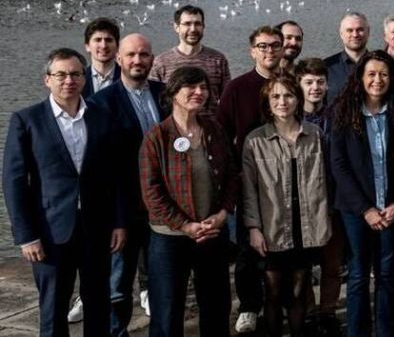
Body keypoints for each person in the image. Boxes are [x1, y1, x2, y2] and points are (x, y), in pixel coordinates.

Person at [4, 48, 127, 337]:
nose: (68, 80)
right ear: (47, 79)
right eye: (60, 74)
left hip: (96, 229)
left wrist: (120, 222)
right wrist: (26, 236)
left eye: (75, 74)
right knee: (53, 310)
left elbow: (118, 174)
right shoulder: (27, 120)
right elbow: (14, 181)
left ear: (84, 79)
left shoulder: (102, 115)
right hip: (50, 232)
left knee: (98, 303)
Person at [139, 66, 239, 337]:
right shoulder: (156, 137)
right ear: (173, 92)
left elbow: (232, 176)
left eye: (204, 88)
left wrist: (222, 214)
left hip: (213, 231)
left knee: (216, 306)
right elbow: (152, 192)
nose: (199, 92)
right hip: (170, 237)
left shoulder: (214, 130)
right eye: (192, 87)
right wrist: (184, 225)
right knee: (167, 310)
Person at [241, 75, 332, 337]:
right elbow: (249, 190)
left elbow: (327, 179)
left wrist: (326, 219)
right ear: (267, 103)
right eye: (276, 97)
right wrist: (253, 227)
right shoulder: (255, 141)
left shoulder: (315, 135)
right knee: (273, 291)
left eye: (289, 96)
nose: (283, 102)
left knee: (299, 288)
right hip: (272, 227)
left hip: (307, 226)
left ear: (298, 100)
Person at [88, 35, 165, 337]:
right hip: (124, 211)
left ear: (152, 59)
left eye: (144, 55)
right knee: (117, 287)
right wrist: (116, 219)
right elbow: (101, 169)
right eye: (131, 55)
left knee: (162, 282)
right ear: (118, 59)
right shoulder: (100, 103)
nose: (137, 61)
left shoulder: (164, 94)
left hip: (161, 209)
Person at [328, 52, 394, 337]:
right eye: (371, 74)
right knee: (359, 275)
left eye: (384, 74)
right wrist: (366, 209)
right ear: (360, 78)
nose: (378, 80)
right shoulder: (342, 112)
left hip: (391, 208)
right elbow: (339, 166)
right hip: (355, 211)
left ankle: (387, 332)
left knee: (387, 274)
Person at [217, 26, 285, 335]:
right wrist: (234, 175)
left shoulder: (289, 84)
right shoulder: (237, 88)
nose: (269, 51)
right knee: (248, 247)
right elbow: (222, 134)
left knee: (283, 244)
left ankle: (280, 301)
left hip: (286, 178)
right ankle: (248, 305)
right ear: (252, 51)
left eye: (274, 45)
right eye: (263, 46)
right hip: (249, 178)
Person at [293, 58, 343, 334]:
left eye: (320, 82)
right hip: (302, 204)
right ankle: (309, 311)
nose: (315, 88)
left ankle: (328, 311)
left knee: (331, 264)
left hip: (333, 200)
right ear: (299, 84)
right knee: (302, 266)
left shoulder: (337, 115)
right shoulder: (291, 117)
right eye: (309, 82)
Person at [149, 5, 231, 109]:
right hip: (175, 125)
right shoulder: (161, 63)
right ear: (176, 27)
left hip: (211, 124)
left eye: (197, 24)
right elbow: (156, 103)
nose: (193, 29)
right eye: (187, 24)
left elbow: (227, 101)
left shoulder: (218, 60)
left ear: (203, 27)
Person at [324, 12, 370, 102]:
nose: (355, 35)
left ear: (368, 32)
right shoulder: (327, 67)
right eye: (349, 30)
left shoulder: (381, 65)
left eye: (360, 29)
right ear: (341, 34)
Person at [82, 17, 121, 98]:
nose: (103, 46)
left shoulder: (128, 78)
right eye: (98, 40)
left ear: (117, 46)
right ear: (87, 46)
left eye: (108, 40)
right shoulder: (78, 79)